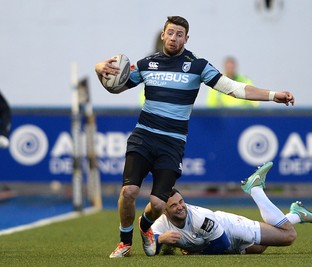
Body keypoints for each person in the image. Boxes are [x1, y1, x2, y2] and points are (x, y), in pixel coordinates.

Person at [94, 16, 295, 258]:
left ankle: (145, 226)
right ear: (163, 35)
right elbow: (116, 85)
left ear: (186, 39)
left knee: (158, 205)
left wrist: (273, 95)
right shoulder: (147, 64)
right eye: (170, 33)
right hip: (143, 137)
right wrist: (99, 70)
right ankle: (125, 243)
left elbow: (235, 88)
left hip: (172, 144)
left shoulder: (198, 66)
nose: (174, 38)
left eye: (179, 34)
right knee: (128, 192)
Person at [150, 162, 312, 255]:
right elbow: (150, 247)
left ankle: (255, 189)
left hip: (231, 228)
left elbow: (222, 243)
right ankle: (295, 214)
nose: (181, 207)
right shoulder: (160, 223)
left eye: (182, 202)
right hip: (220, 240)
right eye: (174, 205)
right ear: (164, 210)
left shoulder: (199, 218)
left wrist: (197, 253)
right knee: (259, 248)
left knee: (288, 236)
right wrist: (160, 239)